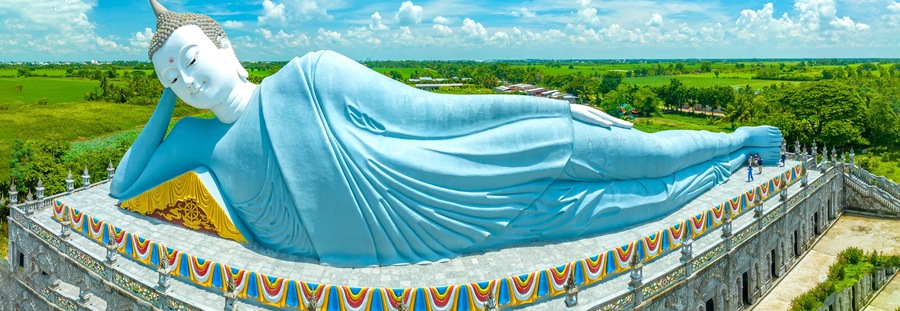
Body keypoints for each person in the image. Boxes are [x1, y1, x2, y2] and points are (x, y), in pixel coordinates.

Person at [110, 0, 783, 267]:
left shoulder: (308, 77)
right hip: (431, 233)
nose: (187, 82)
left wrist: (538, 114)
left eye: (193, 61)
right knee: (620, 204)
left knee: (624, 153)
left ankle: (732, 139)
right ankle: (719, 170)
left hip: (442, 177)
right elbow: (124, 186)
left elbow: (429, 114)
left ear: (230, 51)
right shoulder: (203, 146)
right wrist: (164, 108)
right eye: (172, 79)